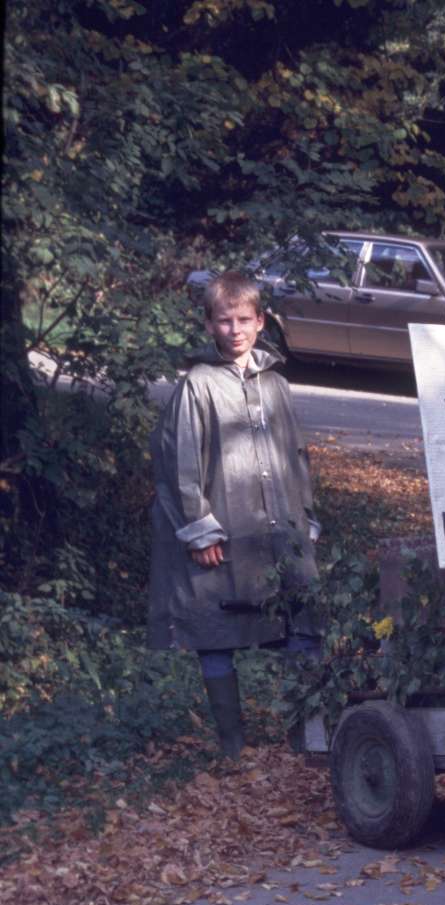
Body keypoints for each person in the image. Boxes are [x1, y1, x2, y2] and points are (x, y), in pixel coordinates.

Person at [148, 271, 321, 758]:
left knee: (299, 623)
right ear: (209, 325)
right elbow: (180, 464)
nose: (235, 330)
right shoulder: (198, 386)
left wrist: (306, 518)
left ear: (260, 321)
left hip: (279, 533)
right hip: (226, 532)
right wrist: (199, 532)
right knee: (216, 631)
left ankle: (305, 738)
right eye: (225, 321)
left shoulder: (276, 384)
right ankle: (233, 746)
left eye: (244, 319)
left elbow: (296, 455)